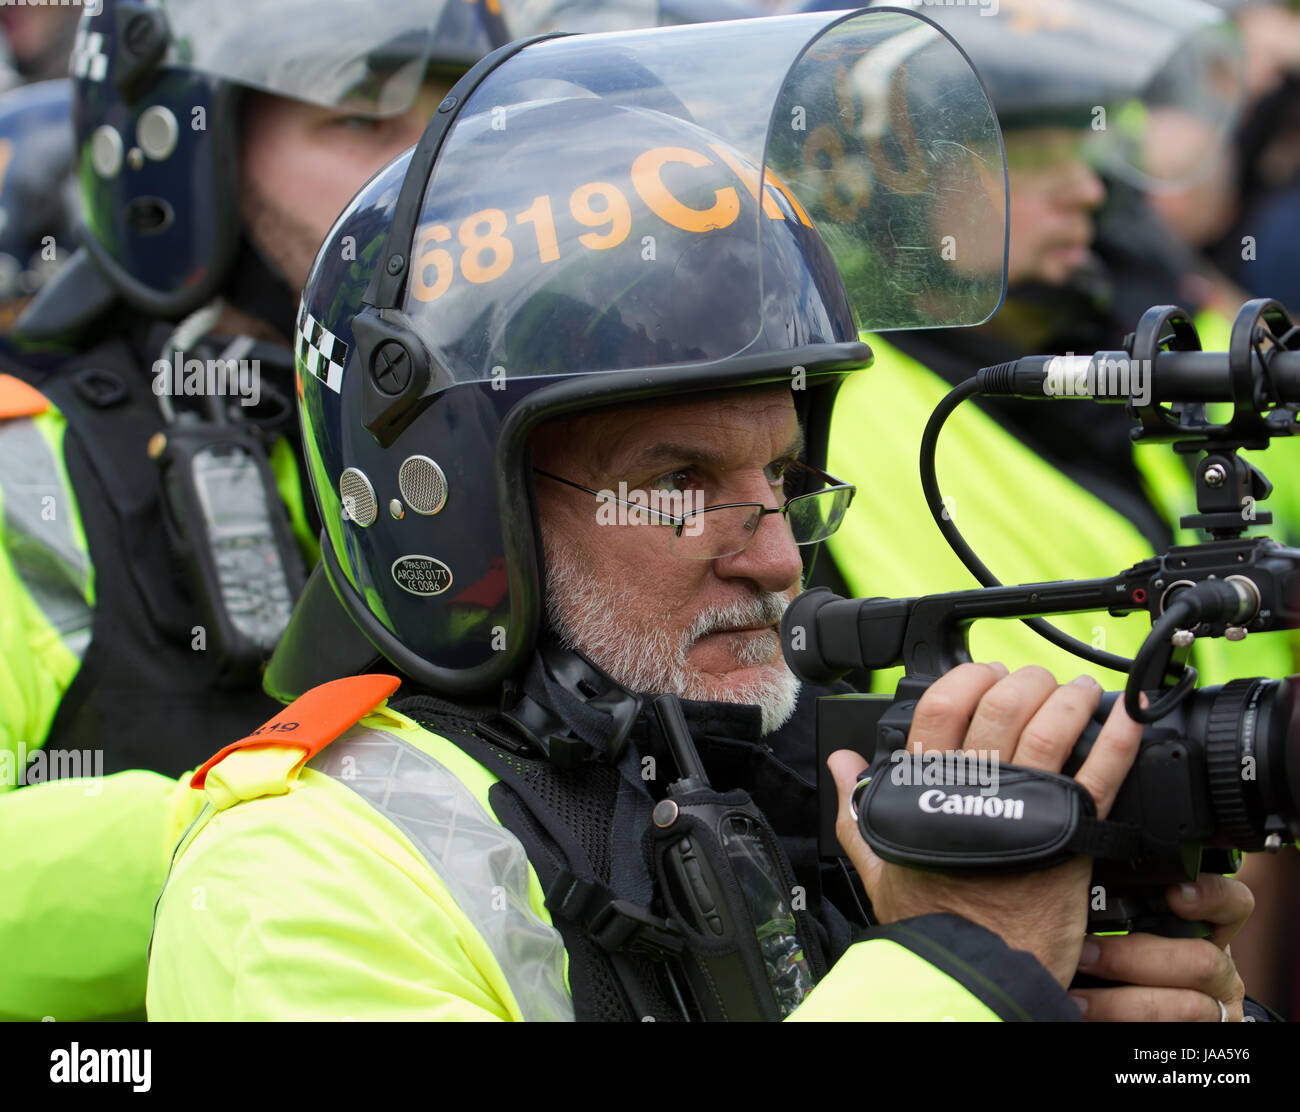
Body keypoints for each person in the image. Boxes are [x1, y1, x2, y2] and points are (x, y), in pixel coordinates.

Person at [147, 11, 1256, 1022]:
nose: (778, 557)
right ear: (460, 514)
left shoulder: (764, 795)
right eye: (678, 482)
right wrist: (956, 966)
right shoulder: (298, 888)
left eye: (780, 476)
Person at [0, 0, 511, 1023]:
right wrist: (269, 840)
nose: (425, 175)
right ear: (186, 166)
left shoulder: (542, 437)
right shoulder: (26, 475)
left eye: (448, 123)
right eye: (360, 123)